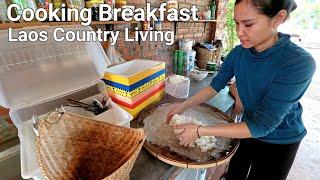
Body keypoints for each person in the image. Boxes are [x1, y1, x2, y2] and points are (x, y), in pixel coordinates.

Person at [166, 0, 316, 179]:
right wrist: (183, 106)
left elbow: (263, 125)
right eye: (237, 23)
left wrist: (199, 130)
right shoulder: (239, 53)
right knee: (235, 174)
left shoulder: (298, 62)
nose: (239, 32)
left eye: (248, 24)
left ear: (278, 18)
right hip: (244, 129)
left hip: (280, 140)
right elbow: (215, 86)